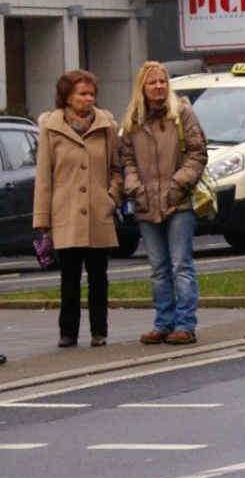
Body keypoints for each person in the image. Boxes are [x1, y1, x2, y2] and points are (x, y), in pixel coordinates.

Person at [32, 71, 123, 349]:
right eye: (82, 94)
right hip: (66, 212)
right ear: (67, 97)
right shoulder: (51, 126)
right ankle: (68, 332)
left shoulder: (106, 124)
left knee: (99, 276)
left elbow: (116, 169)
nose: (88, 99)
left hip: (98, 211)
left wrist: (111, 198)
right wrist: (42, 218)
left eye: (91, 94)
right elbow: (44, 176)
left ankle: (99, 331)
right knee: (69, 277)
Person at [120, 62, 209, 345]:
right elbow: (127, 160)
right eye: (152, 83)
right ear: (142, 89)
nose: (159, 86)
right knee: (158, 268)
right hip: (147, 204)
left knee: (181, 264)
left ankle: (185, 324)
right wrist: (136, 188)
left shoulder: (182, 114)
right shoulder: (133, 121)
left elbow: (198, 153)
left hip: (178, 202)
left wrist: (177, 183)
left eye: (162, 81)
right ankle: (163, 322)